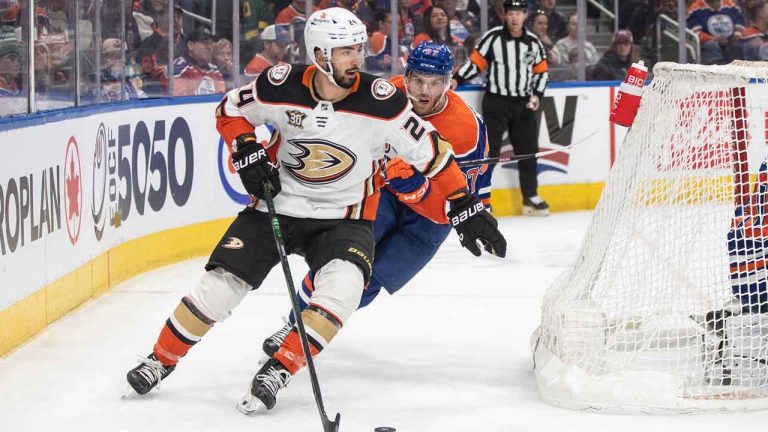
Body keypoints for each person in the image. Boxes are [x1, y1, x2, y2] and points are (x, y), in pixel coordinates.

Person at [124, 8, 506, 416]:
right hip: (278, 205)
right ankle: (159, 360)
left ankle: (280, 367)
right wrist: (246, 149)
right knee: (221, 287)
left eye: (359, 49)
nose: (357, 58)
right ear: (321, 53)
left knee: (343, 292)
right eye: (346, 51)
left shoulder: (385, 102)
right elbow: (230, 111)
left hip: (346, 217)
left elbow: (434, 158)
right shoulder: (280, 83)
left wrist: (465, 205)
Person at [260, 41, 495, 359]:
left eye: (435, 82)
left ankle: (311, 329)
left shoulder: (466, 129)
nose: (424, 91)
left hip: (427, 220)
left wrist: (416, 184)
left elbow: (446, 210)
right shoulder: (384, 96)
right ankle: (293, 329)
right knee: (342, 265)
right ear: (405, 75)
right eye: (417, 80)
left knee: (367, 285)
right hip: (381, 192)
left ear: (449, 82)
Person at [453, 0, 550, 216]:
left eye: (519, 13)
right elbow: (476, 63)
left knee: (528, 152)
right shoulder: (492, 37)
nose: (515, 17)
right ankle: (480, 197)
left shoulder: (534, 43)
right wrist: (457, 78)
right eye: (511, 13)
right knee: (490, 152)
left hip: (523, 104)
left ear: (525, 15)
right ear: (504, 15)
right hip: (496, 102)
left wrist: (537, 95)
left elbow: (541, 72)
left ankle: (530, 196)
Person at [687, 0, 745, 64]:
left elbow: (740, 23)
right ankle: (717, 70)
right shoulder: (694, 9)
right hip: (709, 44)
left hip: (731, 40)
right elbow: (695, 33)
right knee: (712, 45)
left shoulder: (731, 5)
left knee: (743, 44)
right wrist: (712, 38)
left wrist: (736, 35)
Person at [172, 27, 225, 95]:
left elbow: (221, 98)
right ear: (190, 45)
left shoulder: (215, 71)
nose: (209, 47)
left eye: (211, 43)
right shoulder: (179, 68)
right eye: (204, 43)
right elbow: (179, 102)